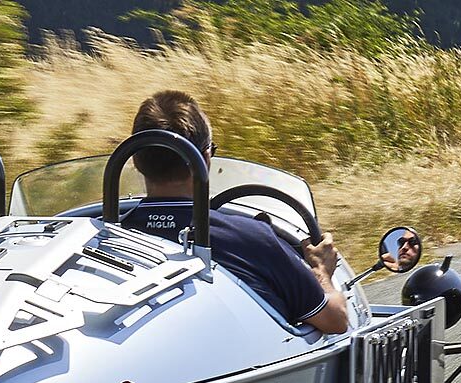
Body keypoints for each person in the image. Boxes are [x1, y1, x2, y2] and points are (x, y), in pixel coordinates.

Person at [120, 91, 348, 334]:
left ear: (135, 159)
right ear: (205, 158)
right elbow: (335, 320)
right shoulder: (251, 238)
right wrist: (322, 273)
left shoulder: (109, 233)